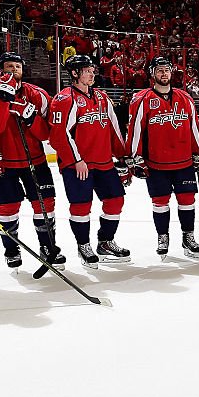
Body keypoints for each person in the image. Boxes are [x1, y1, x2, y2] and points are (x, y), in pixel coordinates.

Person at [49, 54, 131, 268]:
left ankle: (105, 241)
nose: (92, 73)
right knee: (81, 206)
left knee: (115, 201)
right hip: (78, 165)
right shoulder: (64, 99)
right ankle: (83, 245)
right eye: (87, 70)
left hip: (104, 162)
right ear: (74, 73)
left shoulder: (102, 97)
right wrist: (76, 160)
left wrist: (122, 157)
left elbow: (114, 129)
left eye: (93, 70)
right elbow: (59, 135)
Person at [0, 51, 64, 269]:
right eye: (8, 67)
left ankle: (48, 246)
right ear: (0, 70)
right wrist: (3, 100)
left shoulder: (38, 94)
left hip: (35, 161)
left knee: (45, 205)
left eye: (17, 67)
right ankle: (11, 249)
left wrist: (31, 118)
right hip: (3, 164)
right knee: (7, 209)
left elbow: (46, 134)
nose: (13, 71)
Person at [127, 57, 199, 260]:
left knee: (187, 200)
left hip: (183, 162)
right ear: (152, 74)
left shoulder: (185, 97)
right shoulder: (142, 99)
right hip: (156, 164)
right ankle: (163, 237)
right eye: (160, 70)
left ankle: (188, 237)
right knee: (160, 202)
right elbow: (135, 131)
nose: (164, 74)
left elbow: (194, 128)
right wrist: (136, 158)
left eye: (167, 70)